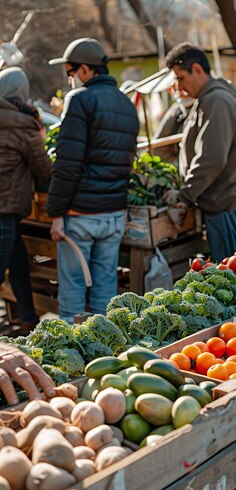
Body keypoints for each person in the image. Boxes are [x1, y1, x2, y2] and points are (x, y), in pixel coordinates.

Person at [46, 38, 139, 323]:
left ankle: (70, 356)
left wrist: (56, 213)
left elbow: (67, 163)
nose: (70, 79)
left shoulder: (80, 100)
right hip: (113, 213)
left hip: (81, 215)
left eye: (71, 72)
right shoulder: (126, 103)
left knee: (73, 291)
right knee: (105, 290)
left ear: (86, 69)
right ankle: (104, 354)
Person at [164, 43, 236, 262]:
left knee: (231, 284)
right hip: (225, 206)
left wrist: (185, 195)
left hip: (225, 209)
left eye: (180, 78)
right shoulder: (210, 99)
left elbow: (211, 158)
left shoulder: (215, 101)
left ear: (197, 69)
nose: (179, 86)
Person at [0, 67, 52, 334]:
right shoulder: (22, 123)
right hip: (5, 210)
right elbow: (44, 169)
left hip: (6, 212)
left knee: (17, 262)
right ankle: (27, 320)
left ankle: (28, 319)